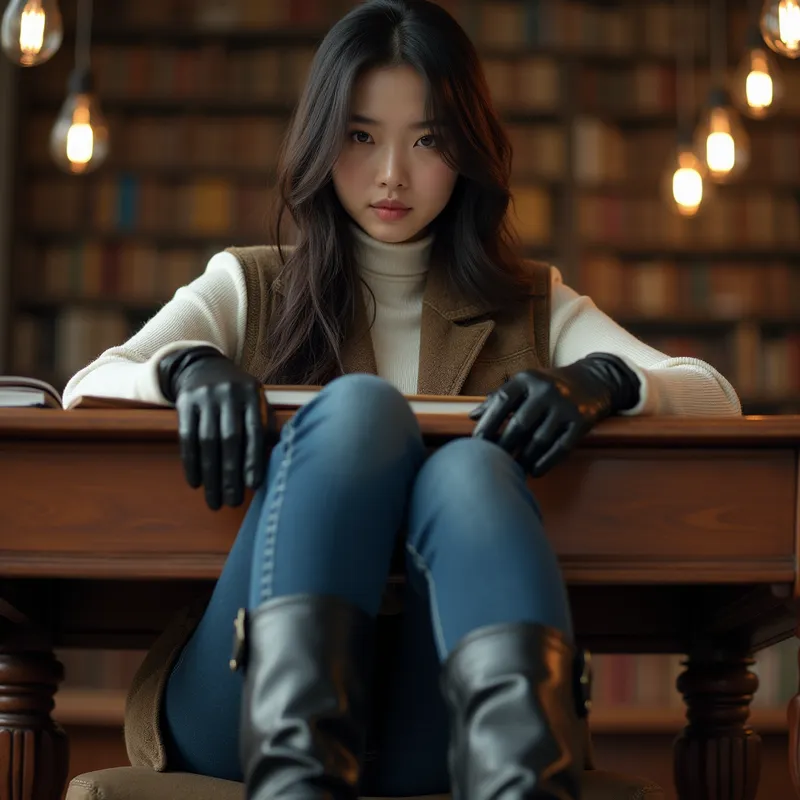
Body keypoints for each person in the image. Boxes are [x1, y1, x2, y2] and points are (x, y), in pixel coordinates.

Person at [63, 1, 741, 798]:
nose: (392, 173)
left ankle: (525, 782)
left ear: (467, 151)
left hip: (436, 712)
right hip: (244, 703)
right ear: (322, 138)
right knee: (360, 413)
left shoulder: (529, 304)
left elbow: (711, 394)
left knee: (473, 473)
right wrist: (184, 370)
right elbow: (89, 384)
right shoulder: (250, 282)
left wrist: (607, 379)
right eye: (360, 136)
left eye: (427, 139)